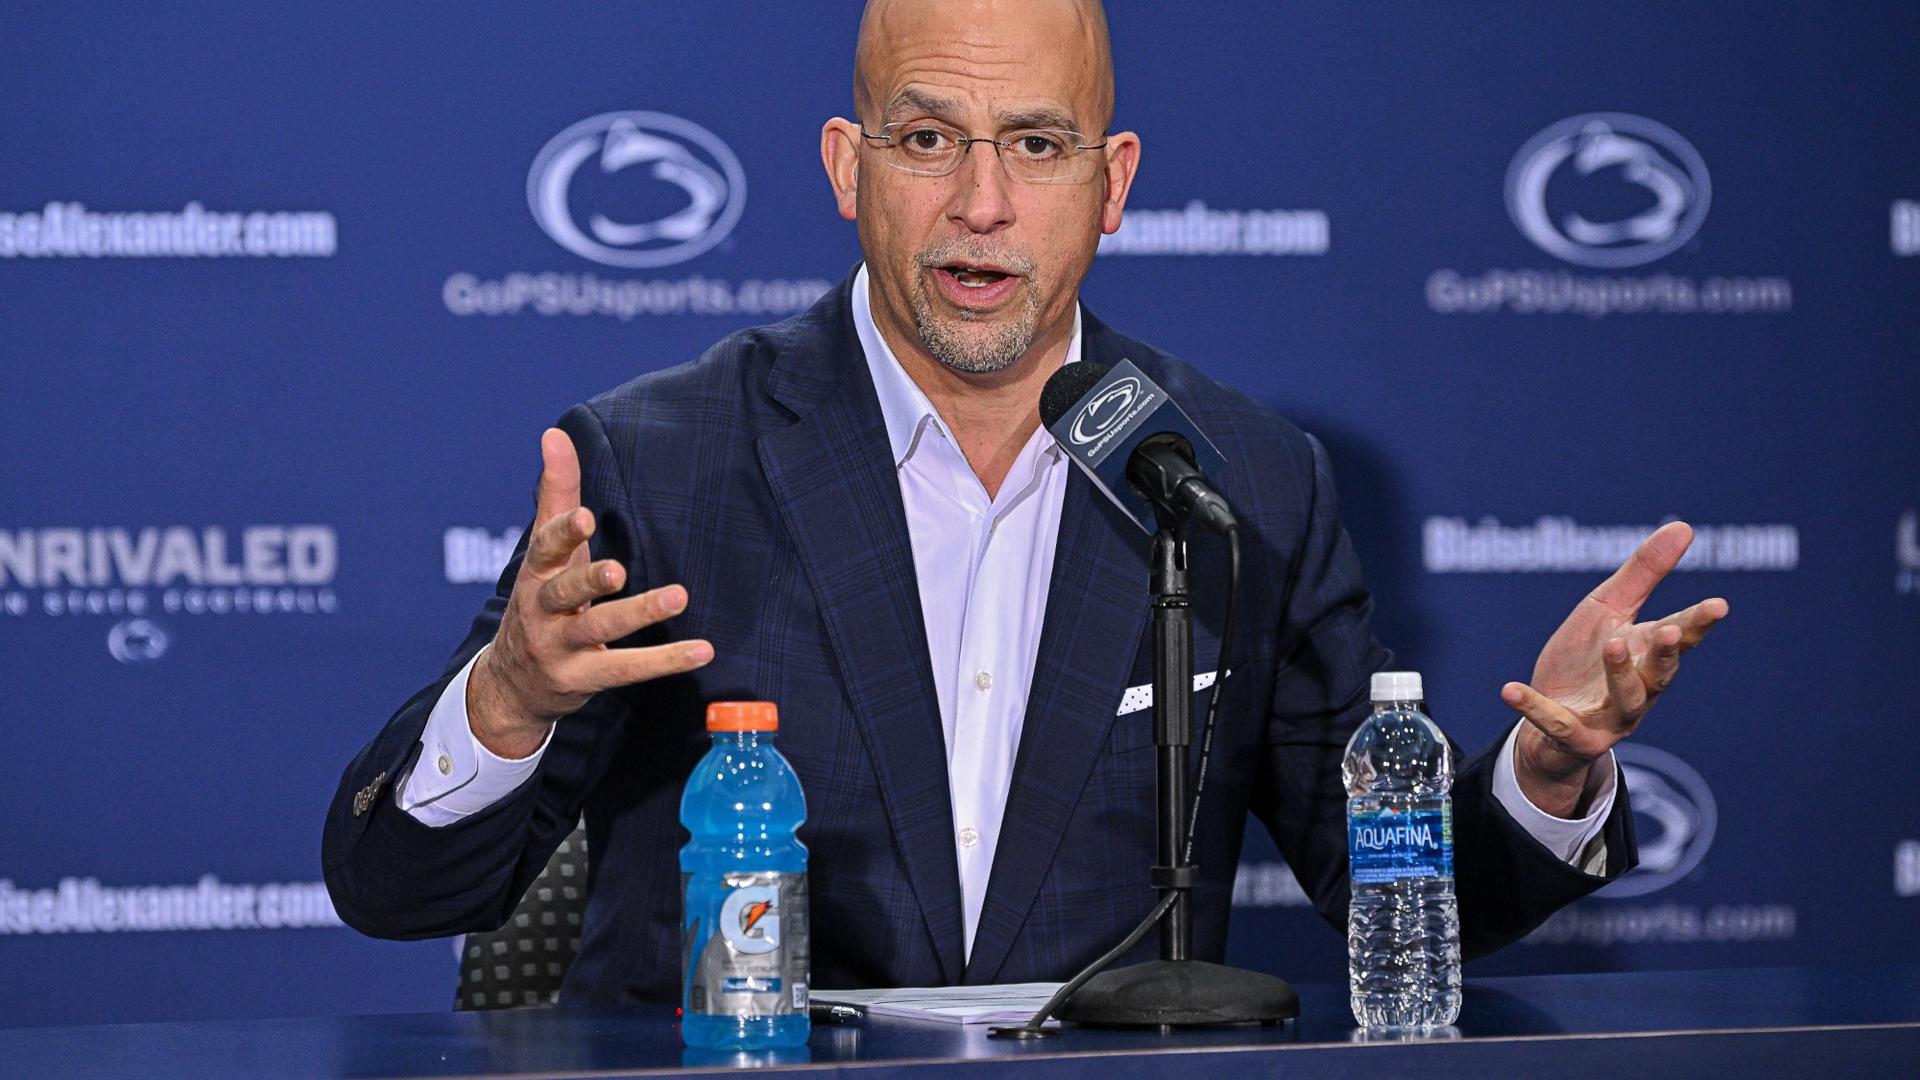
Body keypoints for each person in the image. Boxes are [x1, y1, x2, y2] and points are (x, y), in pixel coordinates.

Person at [323, 0, 1727, 1004]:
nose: (982, 202)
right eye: (927, 139)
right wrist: (507, 699)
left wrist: (1548, 780)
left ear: (1111, 185)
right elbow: (396, 892)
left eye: (1038, 145)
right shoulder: (661, 459)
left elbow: (1402, 905)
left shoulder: (1242, 478)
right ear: (846, 167)